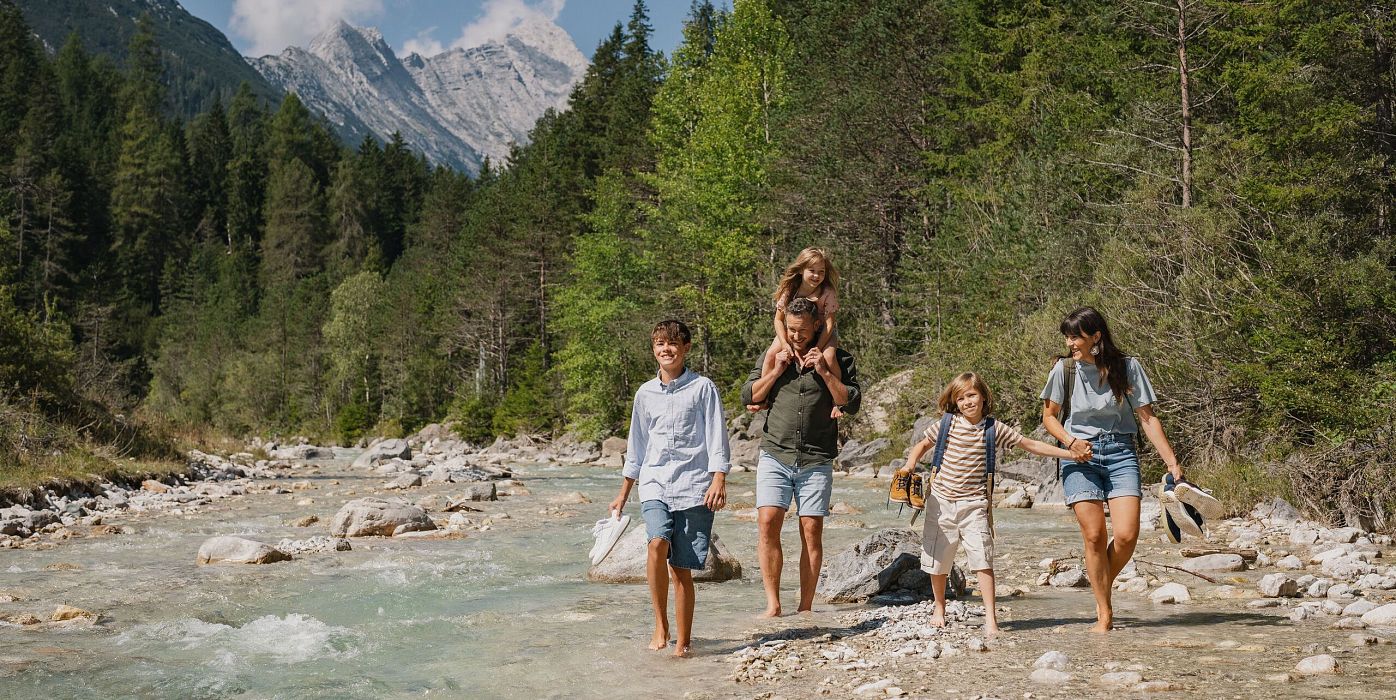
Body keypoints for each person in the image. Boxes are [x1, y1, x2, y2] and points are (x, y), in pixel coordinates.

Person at [892, 372, 1084, 635]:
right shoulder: (947, 423)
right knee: (938, 559)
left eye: (971, 395)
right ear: (955, 402)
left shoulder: (995, 429)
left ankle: (991, 618)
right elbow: (922, 445)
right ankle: (939, 606)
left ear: (983, 396)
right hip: (941, 500)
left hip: (975, 503)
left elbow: (1030, 444)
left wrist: (1069, 453)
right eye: (960, 398)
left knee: (983, 559)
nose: (967, 401)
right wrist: (909, 464)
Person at [1040, 306, 1185, 633]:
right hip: (1079, 458)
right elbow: (1049, 418)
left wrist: (1172, 461)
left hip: (1121, 453)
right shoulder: (1065, 370)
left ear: (1096, 336)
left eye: (1075, 336)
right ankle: (1104, 612)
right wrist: (1070, 441)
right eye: (1067, 336)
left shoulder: (1128, 367)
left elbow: (1147, 418)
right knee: (1094, 535)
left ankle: (1098, 583)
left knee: (1126, 535)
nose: (1069, 342)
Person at [609, 320, 730, 657]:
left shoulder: (703, 388)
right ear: (653, 350)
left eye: (673, 343)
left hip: (694, 485)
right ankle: (661, 624)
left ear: (686, 348)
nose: (666, 349)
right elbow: (637, 446)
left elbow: (716, 436)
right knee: (656, 541)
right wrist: (623, 492)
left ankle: (684, 643)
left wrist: (719, 477)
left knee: (682, 570)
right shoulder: (644, 394)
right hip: (655, 482)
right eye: (660, 343)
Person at [741, 297, 861, 617]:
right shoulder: (776, 355)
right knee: (767, 523)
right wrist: (777, 369)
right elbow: (748, 395)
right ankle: (773, 604)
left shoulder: (836, 358)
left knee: (811, 530)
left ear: (817, 326)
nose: (796, 336)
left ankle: (805, 606)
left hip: (817, 457)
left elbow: (849, 401)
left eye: (803, 330)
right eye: (791, 330)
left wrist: (823, 370)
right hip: (775, 453)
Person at [761, 247, 844, 416]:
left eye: (821, 272)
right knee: (770, 355)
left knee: (828, 357)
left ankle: (837, 402)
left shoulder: (827, 292)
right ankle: (763, 396)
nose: (816, 276)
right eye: (812, 271)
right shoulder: (790, 290)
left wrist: (818, 347)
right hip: (793, 331)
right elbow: (778, 320)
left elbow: (829, 323)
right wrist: (784, 344)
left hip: (823, 332)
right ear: (800, 270)